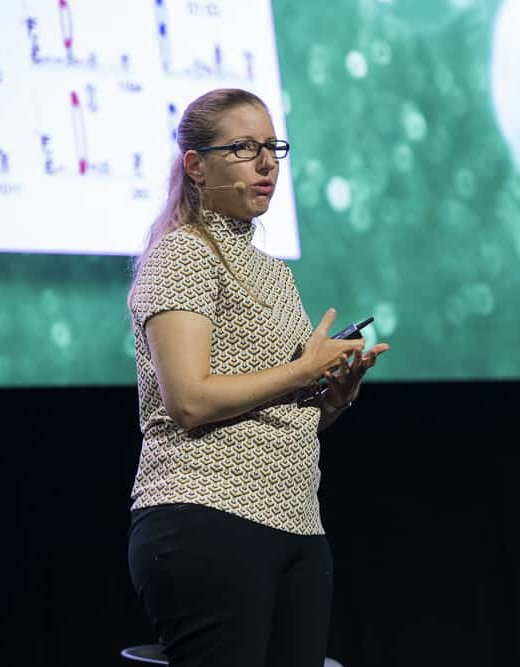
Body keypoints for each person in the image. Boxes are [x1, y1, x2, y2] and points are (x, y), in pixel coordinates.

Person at [126, 88, 389, 667]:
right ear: (196, 165)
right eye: (245, 148)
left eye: (273, 147)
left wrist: (332, 395)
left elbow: (281, 411)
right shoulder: (183, 256)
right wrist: (301, 369)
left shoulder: (275, 275)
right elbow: (190, 401)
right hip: (206, 515)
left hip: (296, 520)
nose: (267, 163)